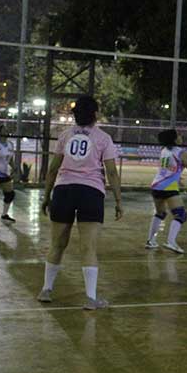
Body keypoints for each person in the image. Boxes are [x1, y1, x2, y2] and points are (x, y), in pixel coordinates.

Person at [38, 96, 122, 310]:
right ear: (95, 114)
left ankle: (46, 290)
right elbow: (111, 172)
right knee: (88, 248)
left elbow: (53, 169)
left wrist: (47, 196)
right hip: (91, 192)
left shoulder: (65, 135)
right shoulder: (103, 138)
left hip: (64, 190)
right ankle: (90, 298)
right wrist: (119, 201)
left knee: (57, 243)